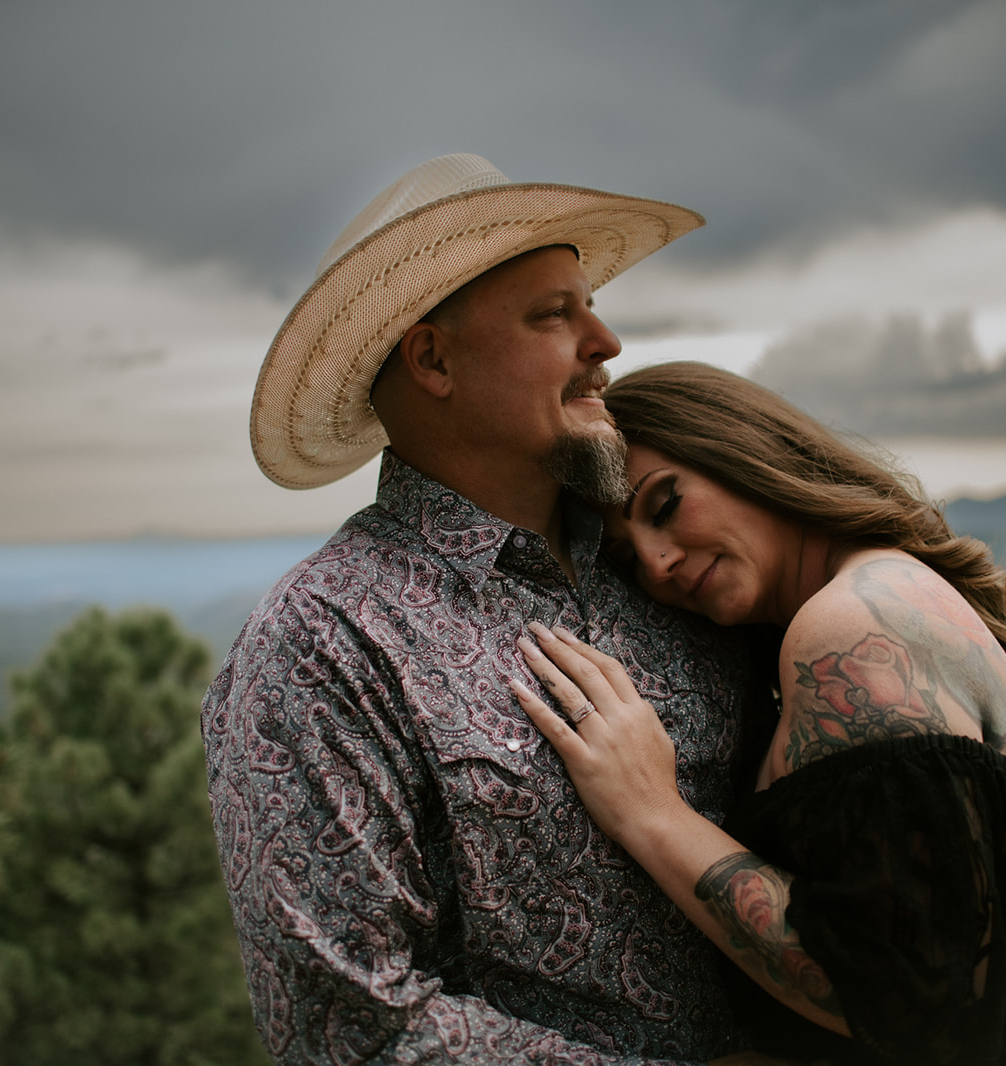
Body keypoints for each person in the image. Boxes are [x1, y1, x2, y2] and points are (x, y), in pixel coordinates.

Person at [202, 157, 771, 1064]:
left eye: (588, 304)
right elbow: (354, 1030)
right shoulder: (322, 641)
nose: (606, 341)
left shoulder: (671, 563)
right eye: (555, 313)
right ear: (433, 358)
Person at [512, 362, 1006, 1065]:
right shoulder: (878, 592)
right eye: (628, 559)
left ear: (745, 455)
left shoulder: (849, 629)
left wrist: (650, 811)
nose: (657, 564)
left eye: (664, 505)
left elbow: (904, 990)